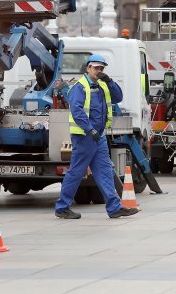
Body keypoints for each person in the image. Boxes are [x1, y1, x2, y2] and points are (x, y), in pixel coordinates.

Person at [55, 54, 139, 219]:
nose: (99, 71)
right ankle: (62, 207)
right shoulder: (80, 86)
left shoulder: (103, 85)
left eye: (101, 68)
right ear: (88, 68)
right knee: (77, 172)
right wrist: (89, 130)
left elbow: (118, 97)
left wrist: (110, 81)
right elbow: (77, 111)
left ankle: (114, 208)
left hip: (98, 137)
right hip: (84, 137)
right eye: (96, 68)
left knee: (105, 171)